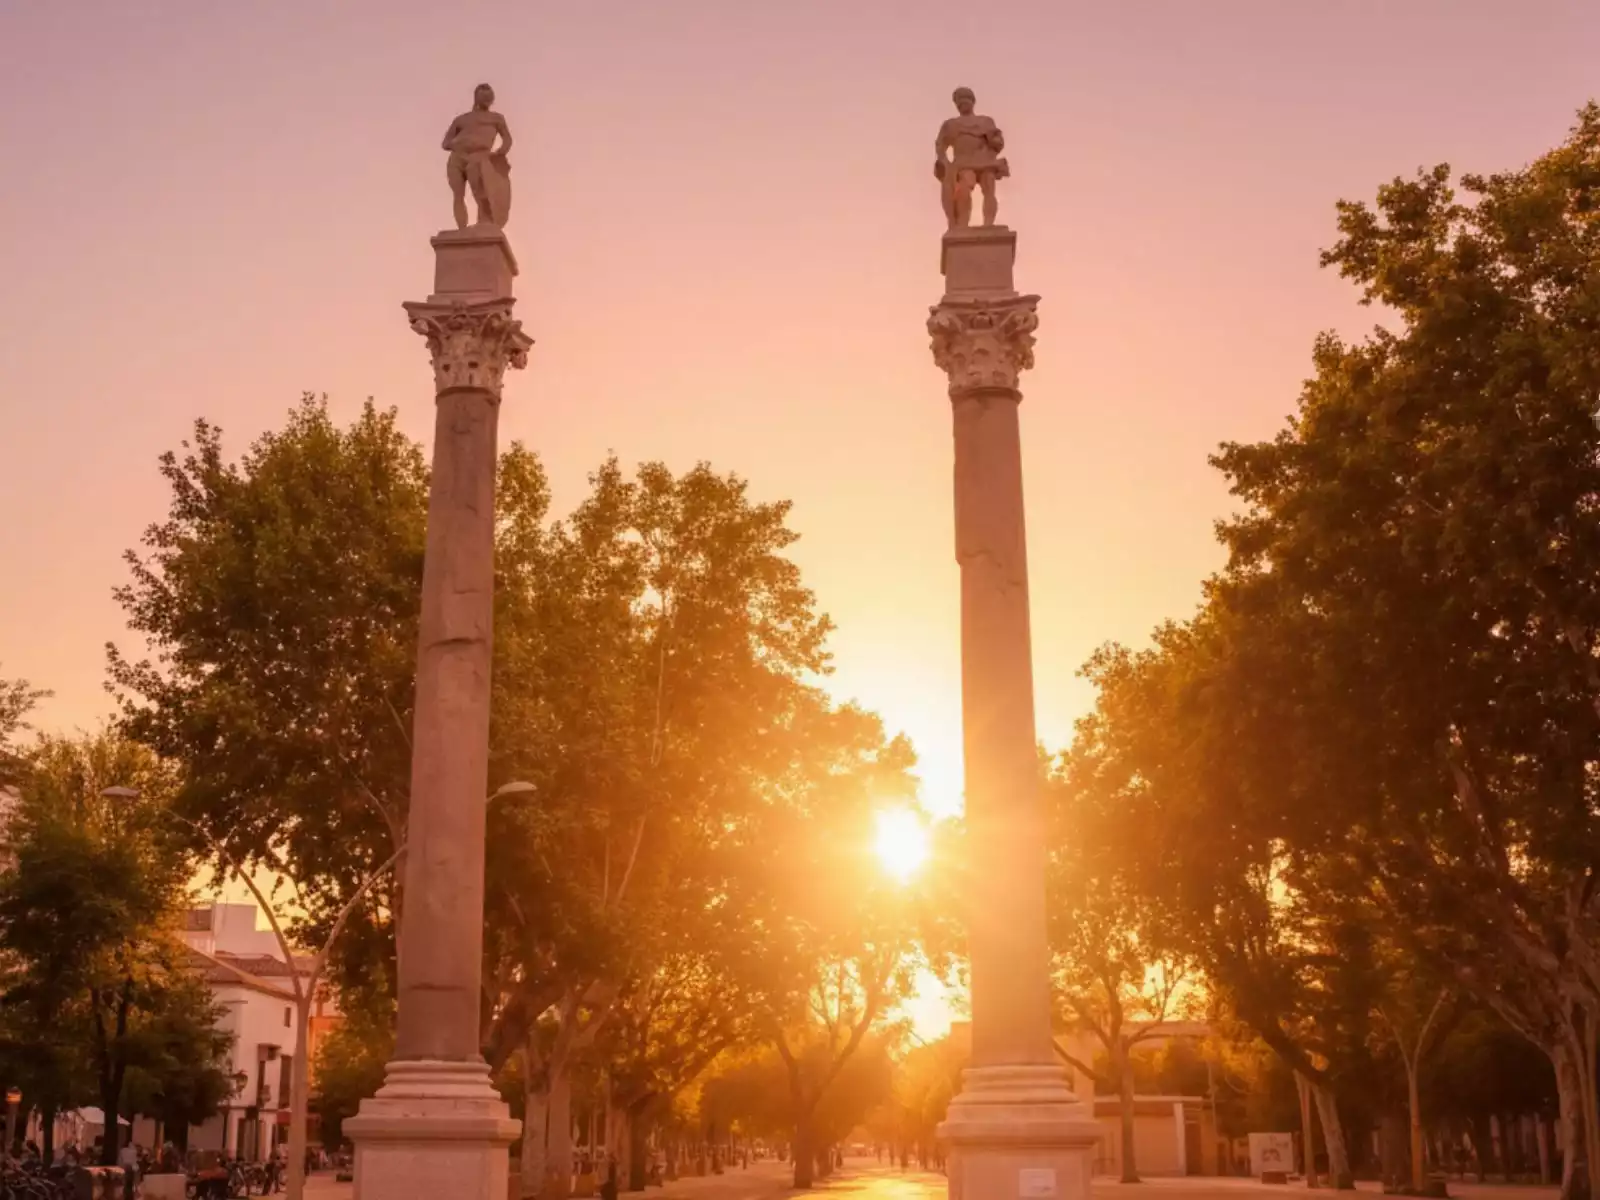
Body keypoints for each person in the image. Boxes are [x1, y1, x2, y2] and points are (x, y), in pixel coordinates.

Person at [441, 83, 514, 229]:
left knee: (481, 191)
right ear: (476, 97)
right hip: (458, 157)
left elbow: (507, 139)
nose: (487, 100)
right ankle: (462, 228)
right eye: (483, 97)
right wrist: (459, 143)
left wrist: (500, 152)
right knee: (458, 194)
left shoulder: (496, 118)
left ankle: (484, 221)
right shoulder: (462, 119)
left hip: (480, 156)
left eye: (489, 97)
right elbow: (446, 143)